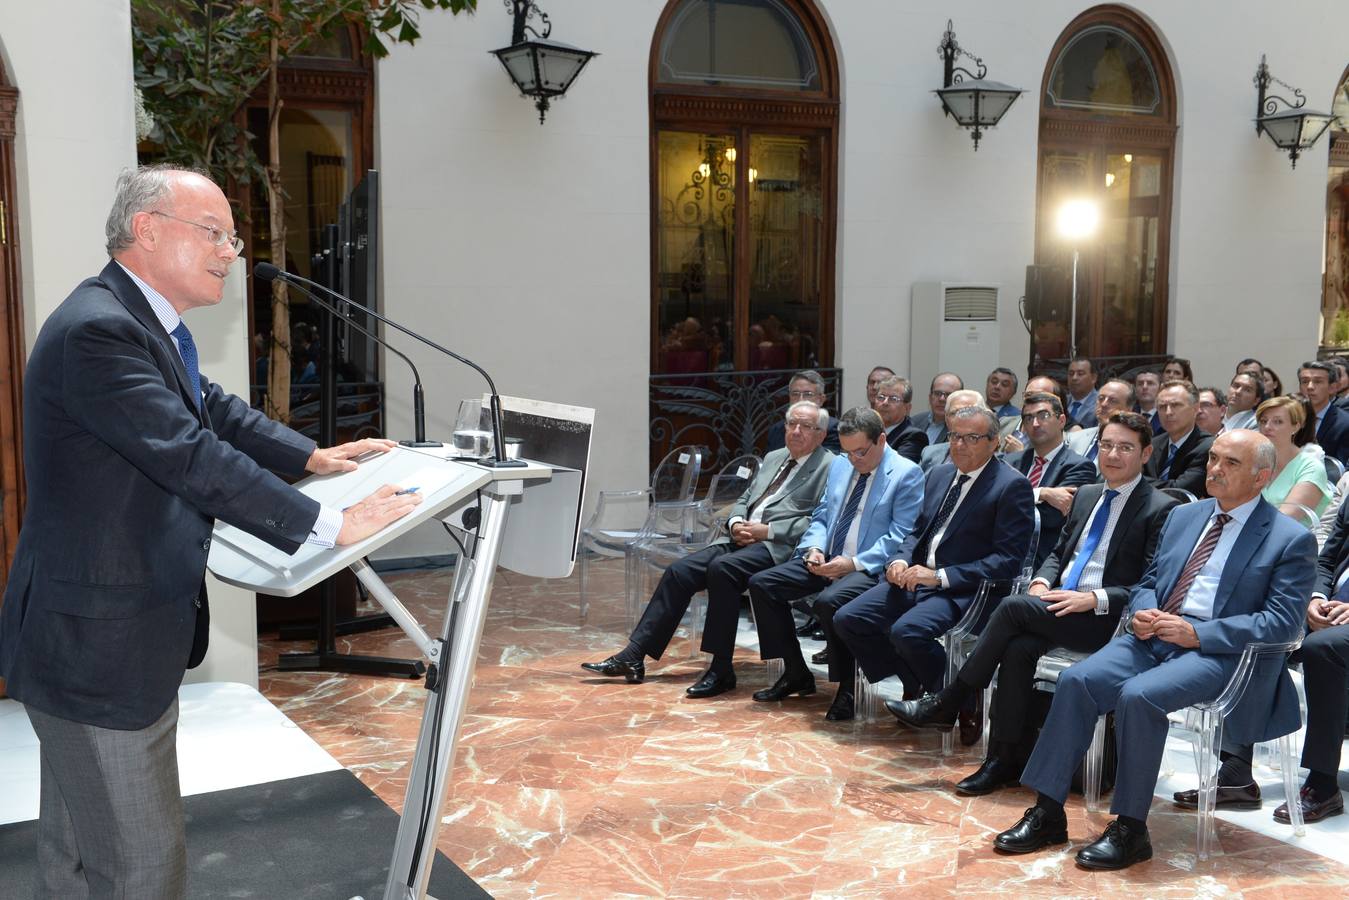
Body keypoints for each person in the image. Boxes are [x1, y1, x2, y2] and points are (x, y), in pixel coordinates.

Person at [0, 166, 422, 897]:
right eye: (216, 233)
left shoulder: (134, 320)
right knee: (139, 865)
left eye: (232, 237)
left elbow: (211, 409)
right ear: (148, 229)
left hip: (92, 632)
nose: (231, 251)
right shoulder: (101, 331)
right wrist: (328, 520)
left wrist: (310, 456)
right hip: (99, 647)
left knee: (76, 852)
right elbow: (188, 453)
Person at [992, 430, 1316, 871]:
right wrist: (1142, 612)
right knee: (1077, 680)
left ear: (1262, 477)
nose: (1215, 469)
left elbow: (1283, 622)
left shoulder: (1288, 538)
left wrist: (1198, 634)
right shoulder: (1185, 517)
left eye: (1231, 464)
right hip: (1154, 634)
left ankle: (1130, 829)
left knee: (1138, 696)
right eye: (1215, 458)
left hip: (1221, 652)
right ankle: (1047, 812)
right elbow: (1148, 583)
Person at [890, 412, 1176, 796]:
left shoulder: (1160, 507)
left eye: (1125, 448)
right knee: (1018, 647)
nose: (1112, 454)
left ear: (1145, 454)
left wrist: (1092, 597)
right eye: (1106, 445)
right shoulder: (1087, 495)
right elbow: (1059, 554)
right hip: (1056, 606)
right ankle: (1002, 760)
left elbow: (1151, 581)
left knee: (1010, 608)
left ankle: (952, 699)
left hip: (1108, 618)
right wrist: (1041, 582)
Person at [581, 401, 833, 696]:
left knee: (722, 570)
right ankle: (634, 655)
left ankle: (721, 667)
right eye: (792, 424)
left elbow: (820, 519)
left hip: (777, 546)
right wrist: (736, 522)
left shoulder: (828, 466)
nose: (797, 431)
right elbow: (746, 498)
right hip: (739, 538)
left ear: (821, 433)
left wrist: (769, 531)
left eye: (806, 426)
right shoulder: (776, 456)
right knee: (680, 571)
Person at [834, 407, 1035, 732]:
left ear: (994, 441)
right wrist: (899, 559)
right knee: (849, 619)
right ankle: (922, 684)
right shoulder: (940, 474)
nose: (960, 444)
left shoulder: (1011, 486)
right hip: (916, 578)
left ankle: (957, 701)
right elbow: (915, 530)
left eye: (972, 438)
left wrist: (940, 576)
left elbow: (1008, 561)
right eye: (955, 435)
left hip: (966, 589)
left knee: (907, 631)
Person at [747, 407, 924, 720]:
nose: (853, 459)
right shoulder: (841, 465)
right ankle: (795, 670)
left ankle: (847, 688)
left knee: (830, 603)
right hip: (827, 556)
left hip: (869, 566)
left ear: (881, 440)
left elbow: (899, 536)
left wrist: (852, 563)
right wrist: (814, 547)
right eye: (847, 452)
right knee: (763, 584)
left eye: (860, 452)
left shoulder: (906, 473)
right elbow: (823, 515)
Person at [1001, 391, 1096, 568]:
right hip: (1000, 553)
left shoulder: (1079, 466)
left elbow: (1051, 518)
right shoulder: (1009, 461)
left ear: (1061, 421)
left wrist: (1009, 503)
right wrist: (1041, 493)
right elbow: (991, 504)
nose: (1035, 424)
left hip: (1041, 560)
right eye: (1028, 418)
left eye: (1043, 415)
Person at [1255, 395, 1332, 521]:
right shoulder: (1253, 461)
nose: (1267, 427)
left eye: (1278, 421)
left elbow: (1287, 520)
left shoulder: (1311, 467)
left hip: (1289, 538)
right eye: (1263, 421)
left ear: (1296, 427)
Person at [1145, 381, 1213, 497]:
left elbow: (1179, 492)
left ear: (1196, 408)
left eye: (1175, 405)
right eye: (1162, 407)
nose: (1168, 412)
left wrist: (1141, 484)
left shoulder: (1208, 447)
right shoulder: (1152, 444)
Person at [765, 369, 841, 453]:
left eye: (808, 394)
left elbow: (827, 463)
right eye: (795, 393)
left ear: (821, 399)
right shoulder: (776, 429)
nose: (800, 399)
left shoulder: (831, 428)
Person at [1064, 379, 1135, 467]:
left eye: (1113, 400)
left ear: (1128, 409)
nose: (1104, 404)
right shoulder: (1073, 438)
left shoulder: (1132, 444)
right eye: (1101, 398)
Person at [919, 389, 985, 470]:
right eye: (954, 413)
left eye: (968, 413)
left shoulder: (986, 456)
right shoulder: (929, 453)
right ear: (946, 419)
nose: (961, 418)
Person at [1299, 361, 1349, 465]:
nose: (1310, 387)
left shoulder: (1344, 423)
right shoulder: (1290, 418)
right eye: (1304, 382)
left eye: (1317, 382)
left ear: (1333, 387)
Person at [872, 374, 928, 465]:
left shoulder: (914, 436)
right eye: (881, 397)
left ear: (907, 408)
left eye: (893, 399)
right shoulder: (867, 430)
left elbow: (897, 469)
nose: (885, 403)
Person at [912, 372, 964, 445]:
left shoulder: (963, 428)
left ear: (959, 400)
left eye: (949, 395)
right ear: (930, 397)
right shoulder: (915, 421)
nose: (942, 399)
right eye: (937, 393)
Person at [1065, 357, 1100, 428]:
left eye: (1080, 374)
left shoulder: (1101, 404)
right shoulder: (1062, 401)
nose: (1074, 378)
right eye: (1071, 374)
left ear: (1093, 378)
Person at [1133, 369, 1163, 435]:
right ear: (1135, 389)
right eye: (1140, 383)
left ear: (1160, 388)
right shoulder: (1129, 413)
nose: (1144, 387)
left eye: (1150, 383)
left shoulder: (1166, 414)